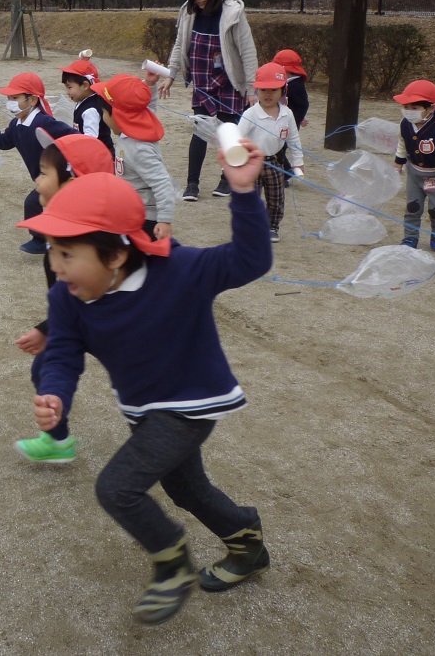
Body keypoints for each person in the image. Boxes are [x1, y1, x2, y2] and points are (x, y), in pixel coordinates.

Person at [22, 149, 273, 626]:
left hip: (190, 403)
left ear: (116, 254)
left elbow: (250, 260)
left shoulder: (180, 272)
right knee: (186, 489)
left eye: (67, 253)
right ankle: (247, 541)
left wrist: (243, 191)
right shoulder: (68, 297)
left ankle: (171, 564)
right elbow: (62, 355)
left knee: (116, 487)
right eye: (52, 250)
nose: (55, 265)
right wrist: (56, 393)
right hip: (145, 409)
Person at [15, 132, 114, 464]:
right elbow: (67, 294)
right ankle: (58, 441)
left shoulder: (94, 234)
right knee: (45, 370)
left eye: (44, 173)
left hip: (110, 324)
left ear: (72, 183)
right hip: (77, 321)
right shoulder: (58, 227)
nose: (35, 179)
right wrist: (48, 327)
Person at [157, 0, 257, 202]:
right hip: (202, 79)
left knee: (229, 130)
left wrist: (252, 89)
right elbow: (180, 45)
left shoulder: (233, 13)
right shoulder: (189, 12)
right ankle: (193, 184)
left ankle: (227, 178)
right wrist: (170, 75)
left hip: (229, 80)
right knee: (200, 130)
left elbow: (248, 52)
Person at [0, 72, 74, 254]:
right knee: (46, 205)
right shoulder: (16, 125)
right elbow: (3, 143)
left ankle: (43, 240)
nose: (10, 102)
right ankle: (53, 238)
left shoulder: (44, 121)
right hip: (42, 178)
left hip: (62, 175)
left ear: (32, 100)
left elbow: (72, 136)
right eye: (9, 98)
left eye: (15, 98)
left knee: (34, 202)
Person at [91, 74, 177, 241]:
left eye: (103, 112)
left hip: (144, 220)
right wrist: (150, 85)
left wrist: (165, 220)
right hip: (131, 211)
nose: (103, 117)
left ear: (117, 114)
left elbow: (162, 183)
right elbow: (146, 106)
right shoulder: (134, 127)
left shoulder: (138, 148)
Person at [238, 63, 305, 242]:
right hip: (252, 163)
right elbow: (238, 140)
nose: (268, 94)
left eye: (274, 90)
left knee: (276, 198)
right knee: (251, 200)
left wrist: (298, 162)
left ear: (283, 90)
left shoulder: (287, 114)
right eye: (264, 90)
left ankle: (272, 226)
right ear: (257, 90)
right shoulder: (250, 114)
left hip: (275, 162)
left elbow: (294, 140)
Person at [393, 79, 435, 251]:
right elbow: (403, 144)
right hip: (415, 175)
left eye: (415, 108)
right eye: (406, 107)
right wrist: (398, 163)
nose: (409, 112)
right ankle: (410, 237)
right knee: (413, 207)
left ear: (430, 108)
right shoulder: (405, 125)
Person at [60, 52, 114, 157]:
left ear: (85, 85)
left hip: (100, 159)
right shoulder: (83, 101)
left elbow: (90, 140)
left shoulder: (91, 110)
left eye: (69, 87)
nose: (67, 92)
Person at [272, 49, 310, 129]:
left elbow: (302, 105)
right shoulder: (286, 82)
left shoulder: (296, 85)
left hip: (288, 126)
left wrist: (298, 119)